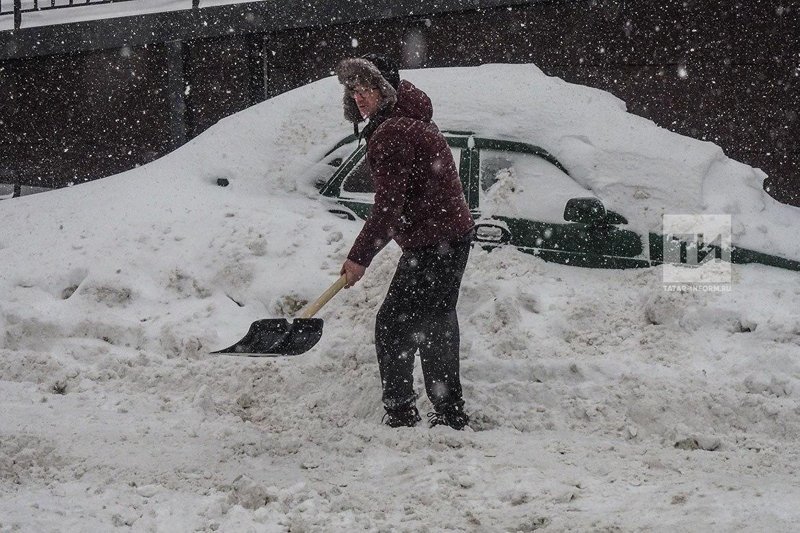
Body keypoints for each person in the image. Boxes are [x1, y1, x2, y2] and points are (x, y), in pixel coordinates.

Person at [335, 54, 475, 430]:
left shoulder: (393, 131)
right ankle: (448, 410)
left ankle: (401, 411)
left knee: (393, 324)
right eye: (353, 89)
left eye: (365, 87)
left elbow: (388, 209)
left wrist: (359, 258)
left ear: (383, 89)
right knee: (436, 322)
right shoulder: (406, 119)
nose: (359, 96)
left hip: (435, 241)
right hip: (450, 236)